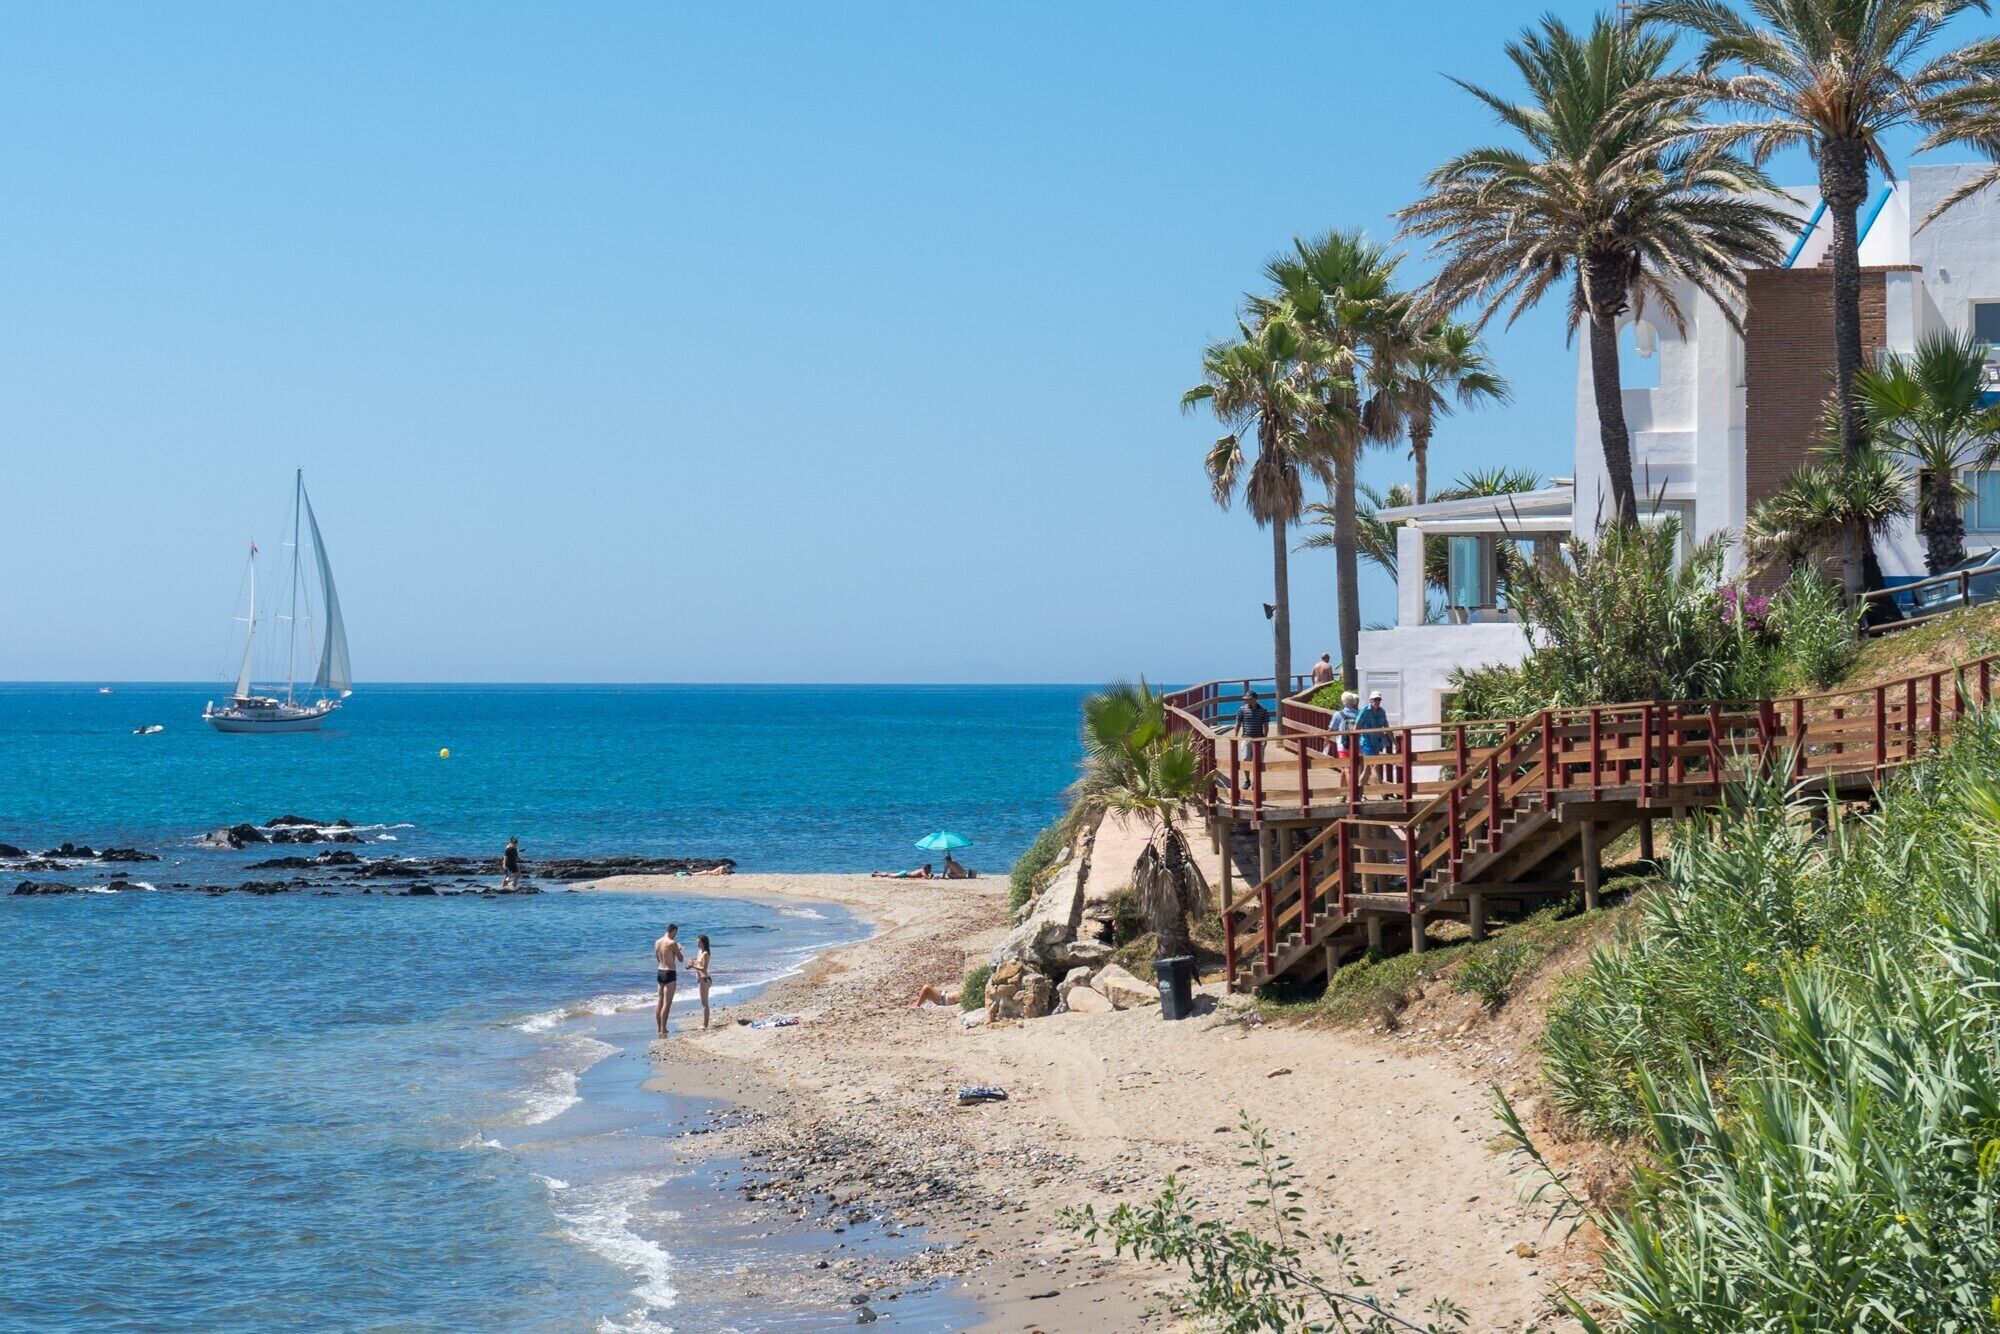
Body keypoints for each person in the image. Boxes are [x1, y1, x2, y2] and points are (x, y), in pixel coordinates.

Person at [653, 922, 686, 1039]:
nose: (675, 935)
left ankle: (658, 1027)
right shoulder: (672, 943)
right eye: (675, 933)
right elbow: (681, 959)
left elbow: (657, 958)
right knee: (667, 1003)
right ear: (672, 931)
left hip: (660, 972)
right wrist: (680, 949)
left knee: (660, 1001)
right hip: (670, 973)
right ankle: (663, 1028)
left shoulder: (657, 942)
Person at [1356, 691, 1392, 757]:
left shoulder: (1382, 711)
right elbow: (1356, 726)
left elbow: (1387, 727)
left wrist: (1394, 742)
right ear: (1371, 700)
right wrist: (1356, 744)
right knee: (1368, 762)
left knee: (1376, 763)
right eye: (1375, 699)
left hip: (1377, 742)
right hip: (1366, 741)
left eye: (1379, 699)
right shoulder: (1364, 711)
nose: (1377, 701)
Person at [692, 935, 713, 1030]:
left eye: (699, 942)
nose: (697, 943)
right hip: (701, 979)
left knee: (704, 1003)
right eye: (697, 942)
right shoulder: (699, 952)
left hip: (704, 979)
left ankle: (705, 1025)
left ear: (703, 943)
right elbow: (697, 964)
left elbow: (704, 968)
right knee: (703, 1002)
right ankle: (705, 1023)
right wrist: (691, 965)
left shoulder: (706, 953)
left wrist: (693, 966)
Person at [1333, 691, 1361, 756]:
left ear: (1343, 702)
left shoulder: (1339, 714)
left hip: (1343, 745)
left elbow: (1331, 729)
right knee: (1357, 764)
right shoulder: (1359, 714)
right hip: (1356, 745)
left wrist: (1326, 739)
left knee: (1345, 764)